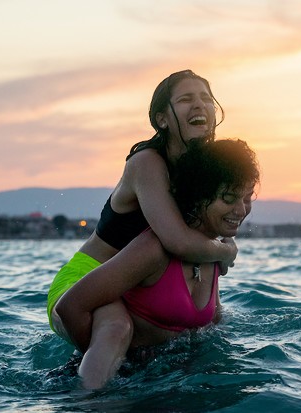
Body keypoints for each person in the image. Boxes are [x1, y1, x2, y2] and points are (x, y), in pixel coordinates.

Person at [47, 70, 237, 381]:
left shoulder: (202, 171)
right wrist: (227, 252)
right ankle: (86, 400)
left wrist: (222, 246)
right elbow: (178, 241)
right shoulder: (146, 163)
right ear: (162, 119)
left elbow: (211, 230)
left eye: (206, 99)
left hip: (135, 287)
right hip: (87, 280)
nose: (200, 105)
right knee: (116, 328)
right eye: (186, 99)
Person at [55, 138, 260, 389]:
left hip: (162, 384)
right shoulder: (153, 249)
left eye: (247, 198)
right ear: (199, 196)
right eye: (229, 198)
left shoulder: (213, 252)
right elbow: (71, 307)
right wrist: (107, 363)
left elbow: (212, 329)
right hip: (113, 386)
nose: (241, 210)